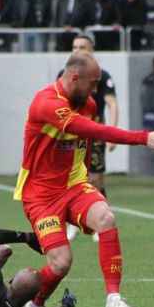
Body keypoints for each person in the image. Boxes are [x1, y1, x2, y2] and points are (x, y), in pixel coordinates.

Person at [14, 52, 154, 307]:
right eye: (92, 83)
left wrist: (85, 178)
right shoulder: (46, 103)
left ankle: (113, 299)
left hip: (74, 187)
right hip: (40, 196)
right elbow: (94, 131)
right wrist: (143, 138)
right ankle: (35, 303)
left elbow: (85, 142)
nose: (95, 90)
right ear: (74, 77)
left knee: (106, 217)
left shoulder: (87, 102)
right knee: (61, 262)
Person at [58, 36, 120, 242]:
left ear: (92, 49)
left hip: (94, 132)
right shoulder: (64, 74)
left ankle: (102, 220)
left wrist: (112, 132)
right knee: (69, 178)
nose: (77, 50)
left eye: (82, 47)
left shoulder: (102, 76)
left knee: (95, 178)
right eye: (74, 46)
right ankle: (72, 223)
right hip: (70, 133)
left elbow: (112, 103)